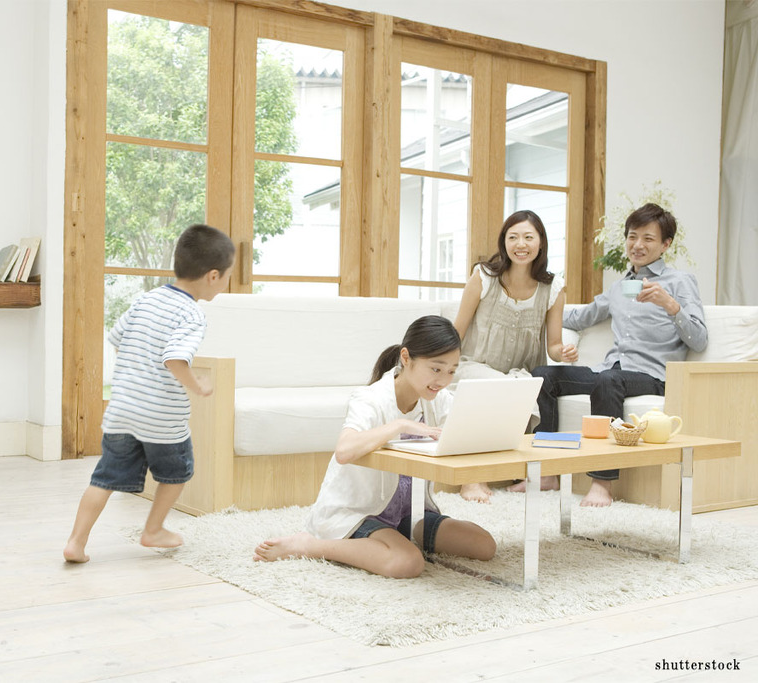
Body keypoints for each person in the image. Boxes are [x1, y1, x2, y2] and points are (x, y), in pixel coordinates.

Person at [253, 316, 496, 579]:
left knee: (484, 545)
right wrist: (399, 426)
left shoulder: (439, 400)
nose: (443, 380)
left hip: (409, 513)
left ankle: (400, 536)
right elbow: (344, 450)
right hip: (361, 511)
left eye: (451, 371)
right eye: (436, 369)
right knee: (407, 563)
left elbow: (468, 436)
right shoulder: (370, 398)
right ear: (406, 358)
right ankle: (309, 545)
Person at [63, 224, 236, 563]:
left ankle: (76, 543)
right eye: (228, 275)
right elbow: (174, 357)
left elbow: (115, 339)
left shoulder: (147, 299)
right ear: (213, 276)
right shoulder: (192, 313)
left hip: (122, 408)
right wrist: (196, 385)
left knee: (104, 478)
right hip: (162, 415)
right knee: (177, 471)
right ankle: (153, 530)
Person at [516, 203, 708, 507]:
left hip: (654, 375)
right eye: (633, 237)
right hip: (612, 371)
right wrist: (531, 306)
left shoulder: (680, 282)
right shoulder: (620, 287)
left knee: (608, 380)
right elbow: (582, 317)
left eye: (648, 238)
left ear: (665, 244)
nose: (638, 245)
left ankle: (602, 483)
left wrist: (670, 305)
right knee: (543, 375)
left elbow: (699, 340)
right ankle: (548, 472)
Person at [451, 210, 578, 503]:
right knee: (498, 387)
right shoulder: (483, 277)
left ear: (541, 243)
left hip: (519, 375)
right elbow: (457, 331)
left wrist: (565, 352)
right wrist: (436, 368)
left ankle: (503, 472)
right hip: (474, 367)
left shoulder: (552, 288)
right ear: (504, 243)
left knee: (514, 387)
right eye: (513, 237)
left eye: (528, 237)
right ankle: (472, 478)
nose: (521, 244)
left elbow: (554, 346)